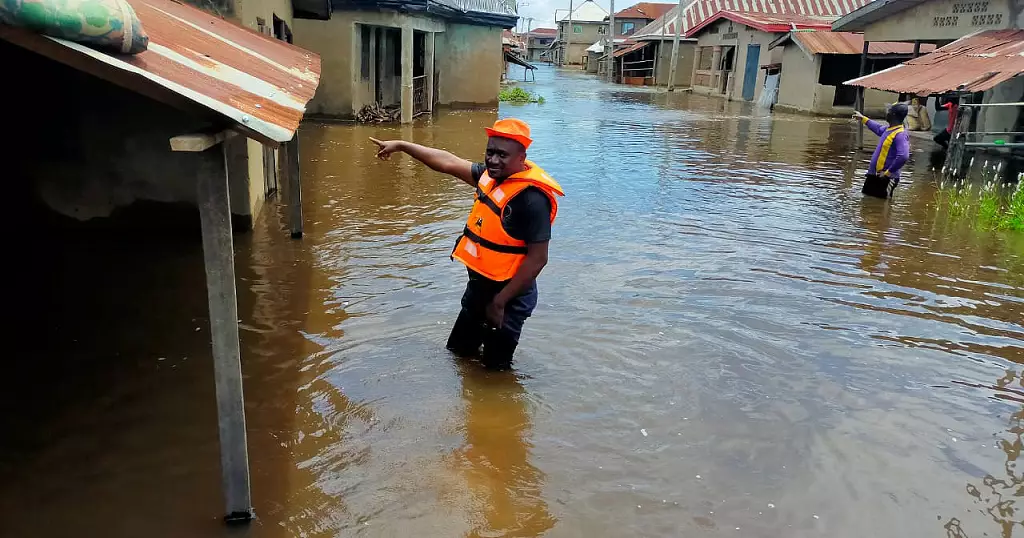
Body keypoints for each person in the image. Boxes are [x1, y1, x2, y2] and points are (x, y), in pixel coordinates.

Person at [370, 119, 563, 370]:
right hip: (479, 290)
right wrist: (401, 145)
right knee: (457, 356)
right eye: (490, 152)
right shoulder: (490, 178)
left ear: (521, 158)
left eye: (502, 155)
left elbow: (538, 259)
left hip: (508, 300)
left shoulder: (532, 200)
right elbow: (447, 162)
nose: (493, 160)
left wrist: (500, 302)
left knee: (495, 374)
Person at [853, 103, 911, 199]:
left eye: (889, 112)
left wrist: (888, 173)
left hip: (886, 178)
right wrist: (863, 118)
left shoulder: (900, 134)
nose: (886, 114)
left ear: (893, 115)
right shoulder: (889, 130)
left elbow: (903, 156)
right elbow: (878, 128)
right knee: (866, 202)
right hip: (874, 175)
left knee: (883, 206)